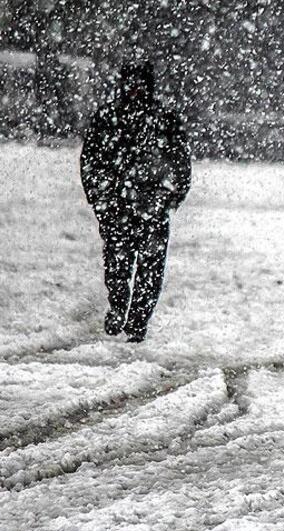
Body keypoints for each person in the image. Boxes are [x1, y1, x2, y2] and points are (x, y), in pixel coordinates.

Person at [80, 60, 191, 342]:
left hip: (151, 206)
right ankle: (119, 307)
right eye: (131, 84)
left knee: (149, 270)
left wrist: (170, 196)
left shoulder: (164, 120)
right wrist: (100, 197)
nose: (135, 90)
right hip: (118, 206)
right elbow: (90, 162)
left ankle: (138, 321)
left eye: (141, 84)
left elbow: (180, 164)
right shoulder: (108, 119)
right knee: (118, 263)